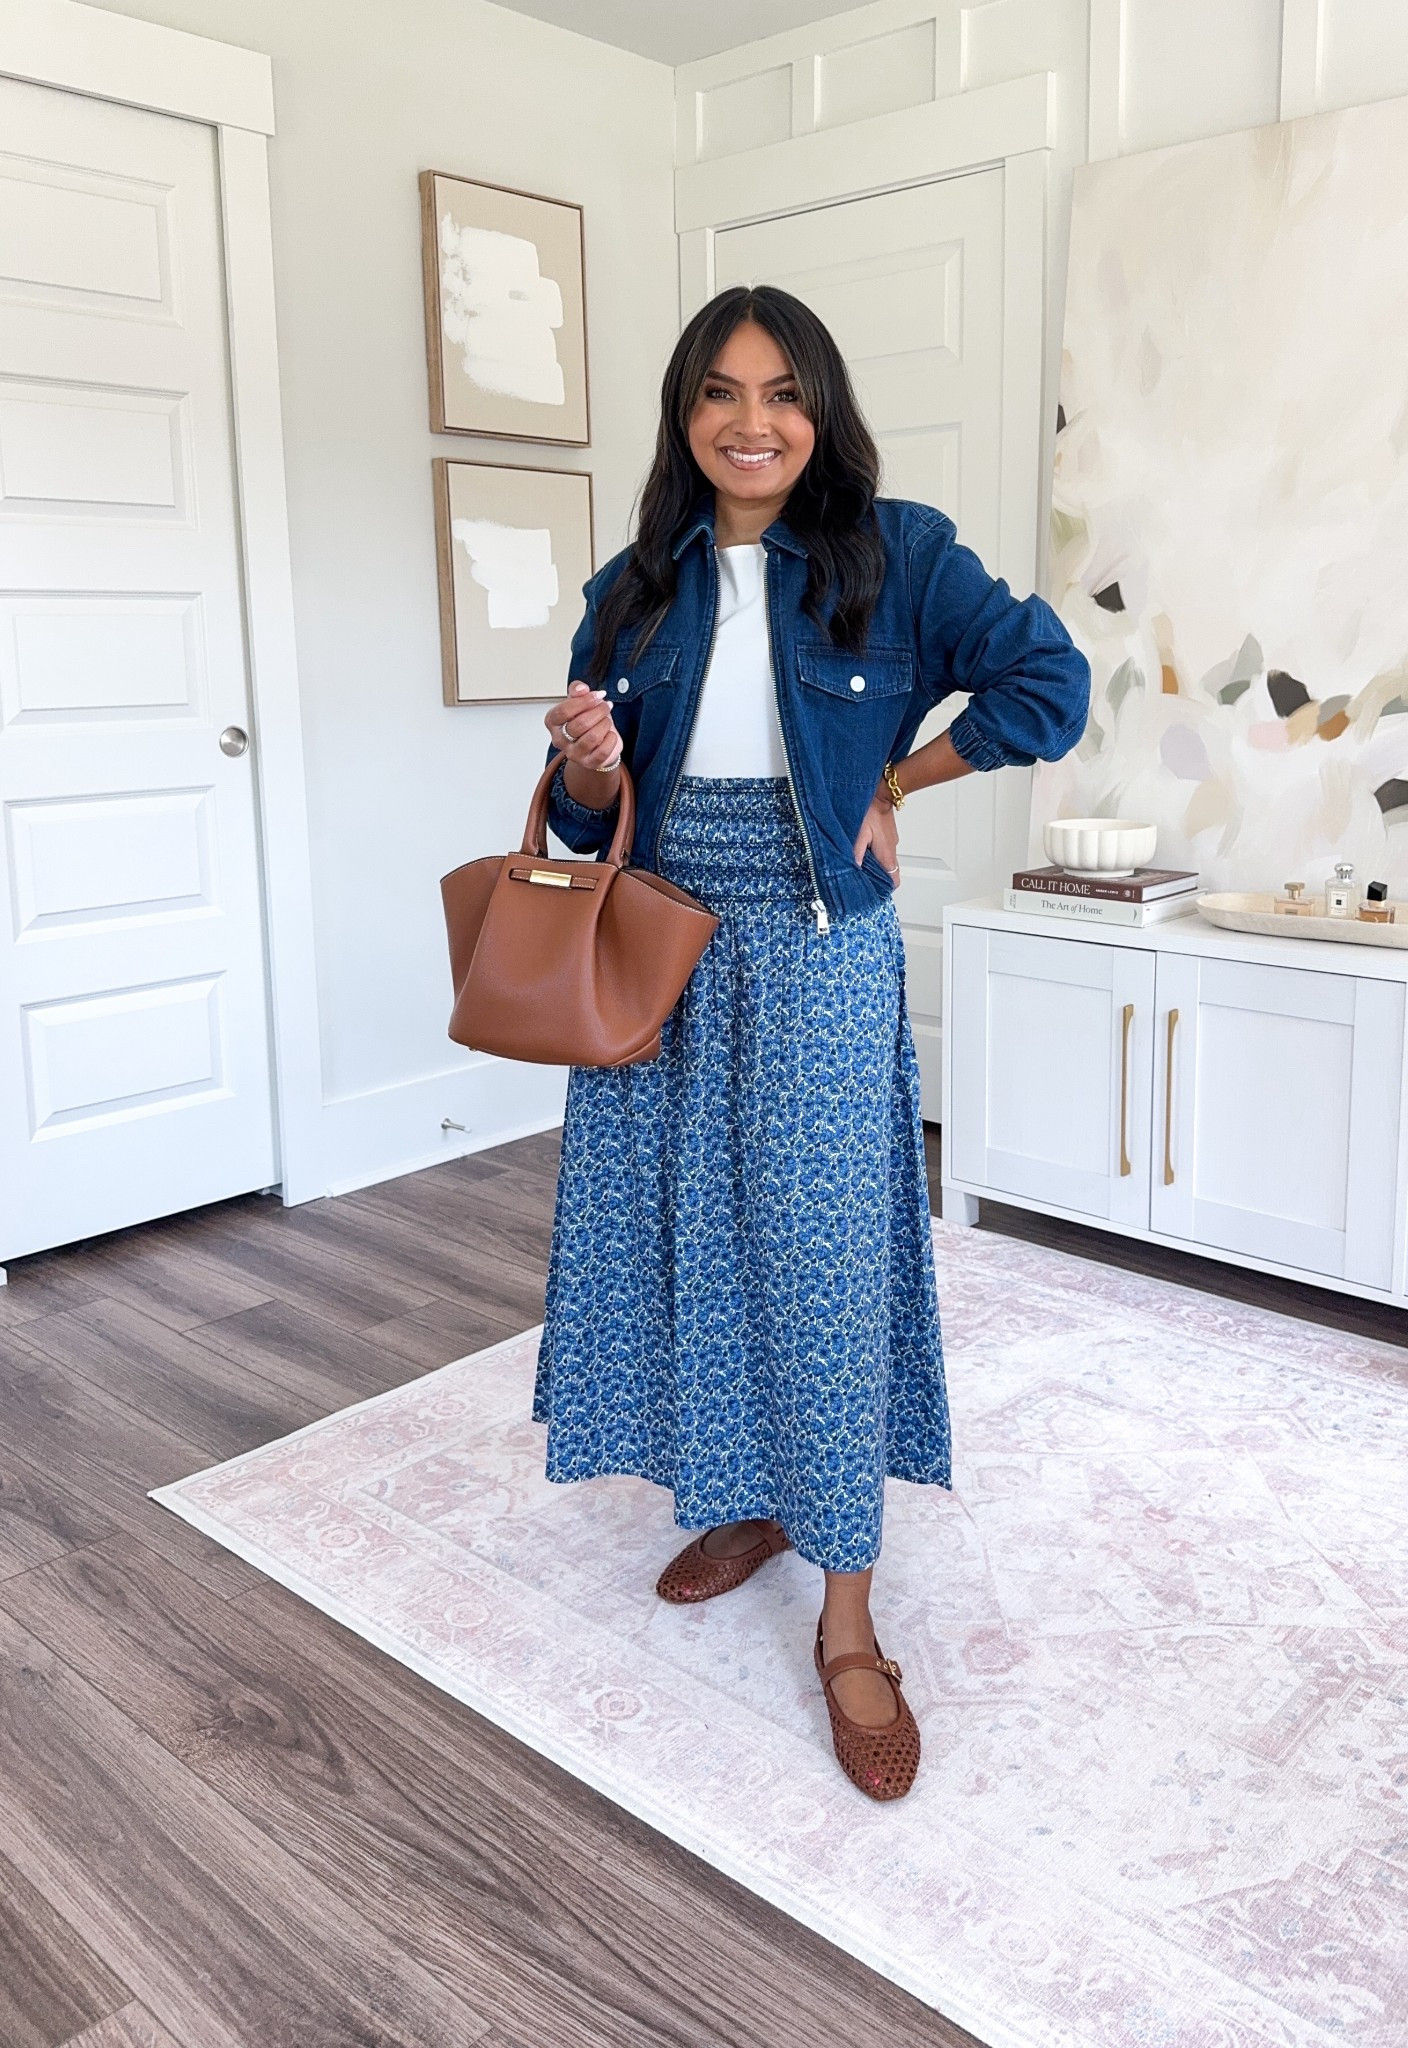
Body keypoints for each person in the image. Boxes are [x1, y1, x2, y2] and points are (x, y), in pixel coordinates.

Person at [535, 284, 1089, 1800]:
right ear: (684, 416)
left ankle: (849, 1610)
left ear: (821, 410)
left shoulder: (895, 555)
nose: (752, 421)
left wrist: (896, 784)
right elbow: (587, 821)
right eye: (720, 392)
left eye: (783, 392)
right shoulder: (632, 589)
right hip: (661, 941)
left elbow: (1049, 687)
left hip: (819, 942)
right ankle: (748, 1493)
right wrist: (591, 768)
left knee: (823, 1259)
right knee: (688, 1237)